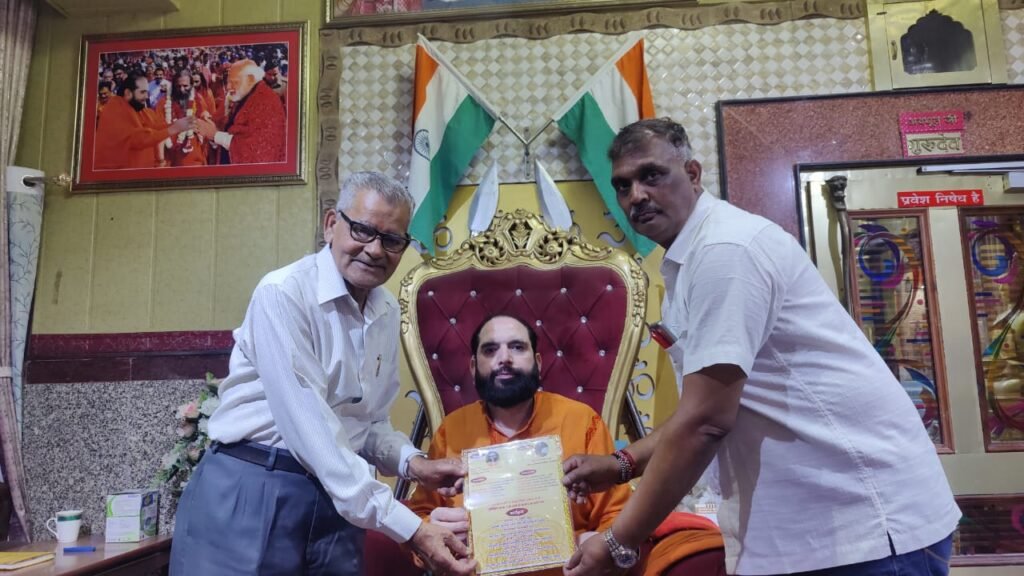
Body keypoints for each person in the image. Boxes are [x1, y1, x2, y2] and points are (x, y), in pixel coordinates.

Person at [561, 118, 960, 576]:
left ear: (693, 174)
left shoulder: (726, 250)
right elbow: (705, 407)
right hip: (816, 531)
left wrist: (618, 541)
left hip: (864, 526)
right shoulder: (690, 260)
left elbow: (705, 422)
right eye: (623, 185)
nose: (636, 195)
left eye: (652, 175)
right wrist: (622, 464)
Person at [169, 171, 476, 576]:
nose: (374, 250)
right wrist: (413, 529)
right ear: (332, 224)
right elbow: (312, 432)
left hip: (338, 499)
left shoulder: (386, 310)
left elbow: (367, 423)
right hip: (255, 489)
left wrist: (414, 464)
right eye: (363, 230)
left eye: (391, 240)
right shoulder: (283, 293)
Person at [406, 314, 633, 576]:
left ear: (538, 362)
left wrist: (599, 545)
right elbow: (420, 517)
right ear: (473, 367)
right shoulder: (452, 429)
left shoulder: (581, 422)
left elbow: (618, 514)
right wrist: (432, 529)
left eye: (517, 347)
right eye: (490, 350)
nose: (504, 358)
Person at [93, 72, 193, 170]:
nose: (146, 96)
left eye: (147, 92)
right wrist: (174, 128)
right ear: (128, 93)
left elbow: (155, 127)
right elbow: (138, 139)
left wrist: (178, 124)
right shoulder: (115, 109)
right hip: (118, 173)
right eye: (142, 92)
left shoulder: (137, 108)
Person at [195, 58, 286, 165]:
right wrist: (210, 125)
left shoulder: (267, 101)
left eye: (234, 82)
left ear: (250, 79)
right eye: (228, 82)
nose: (228, 87)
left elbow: (255, 150)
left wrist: (215, 135)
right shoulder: (241, 95)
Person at [155, 69, 209, 166]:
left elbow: (205, 127)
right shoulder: (164, 102)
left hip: (193, 153)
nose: (182, 90)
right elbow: (159, 131)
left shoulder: (198, 100)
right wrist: (161, 159)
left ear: (191, 85)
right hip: (171, 154)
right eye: (178, 86)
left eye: (185, 86)